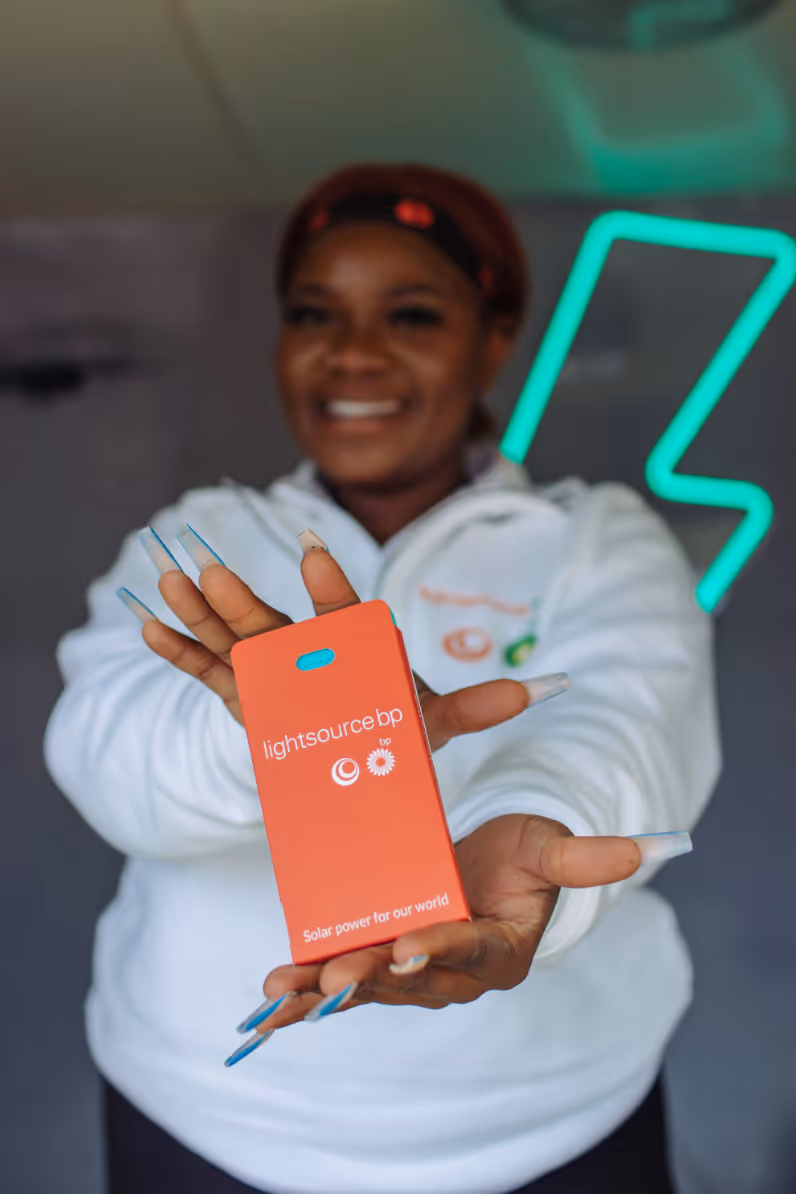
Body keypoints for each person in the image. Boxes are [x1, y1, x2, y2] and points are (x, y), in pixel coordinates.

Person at [44, 163, 720, 1194]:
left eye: (411, 314)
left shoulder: (591, 538)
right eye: (314, 314)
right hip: (209, 1114)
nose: (352, 353)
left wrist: (531, 816)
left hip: (553, 1120)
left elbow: (631, 722)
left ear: (493, 340)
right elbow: (102, 751)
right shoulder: (199, 539)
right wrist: (273, 732)